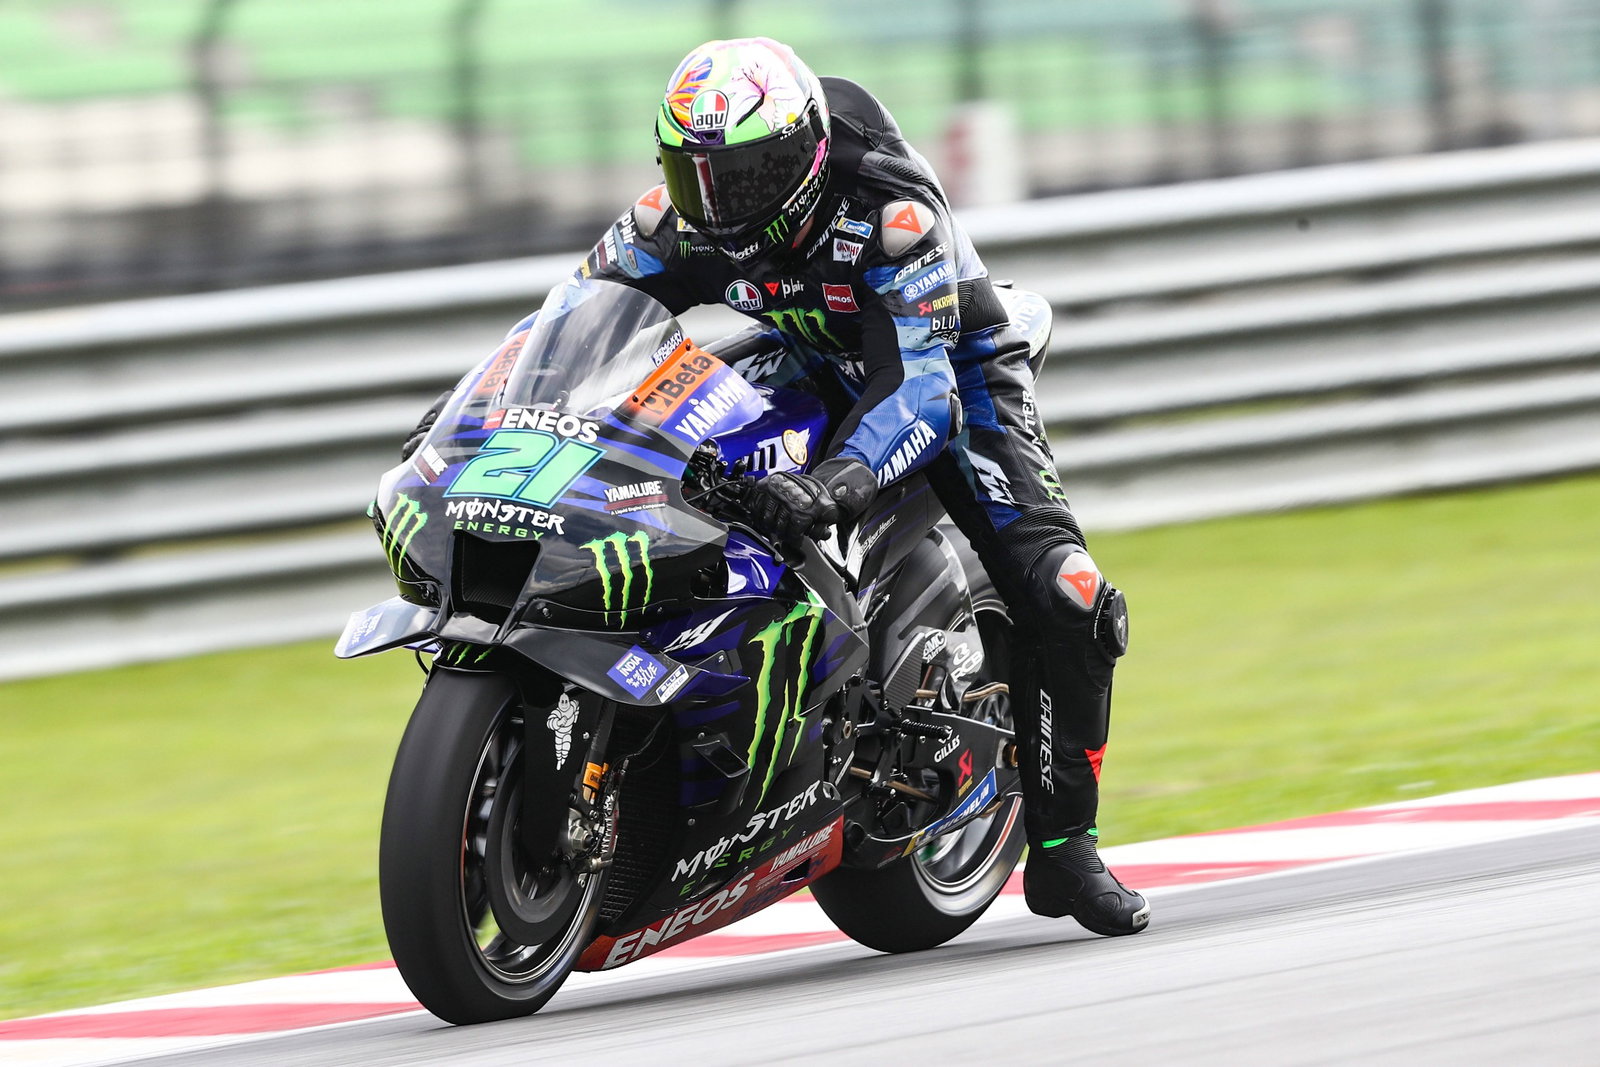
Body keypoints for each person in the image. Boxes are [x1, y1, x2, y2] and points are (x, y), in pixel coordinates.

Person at [412, 37, 1148, 937]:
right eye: (695, 174)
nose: (718, 201)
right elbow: (567, 326)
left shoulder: (888, 215)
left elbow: (918, 390)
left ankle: (1067, 848)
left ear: (803, 155)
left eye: (744, 177)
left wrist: (834, 483)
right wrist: (483, 415)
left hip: (948, 370)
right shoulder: (673, 220)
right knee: (673, 469)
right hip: (801, 351)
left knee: (1069, 591)